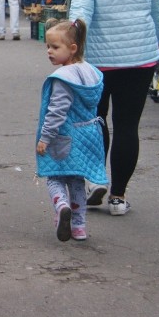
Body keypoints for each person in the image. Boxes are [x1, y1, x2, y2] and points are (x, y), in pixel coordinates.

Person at [68, 0, 159, 216]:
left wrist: (71, 48)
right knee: (128, 126)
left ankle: (96, 180)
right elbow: (157, 10)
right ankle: (118, 197)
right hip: (140, 56)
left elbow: (81, 12)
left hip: (97, 57)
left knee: (96, 120)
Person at [36, 18, 108, 242]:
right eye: (48, 46)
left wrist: (45, 138)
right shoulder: (92, 72)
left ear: (73, 48)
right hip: (89, 134)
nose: (49, 51)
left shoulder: (63, 78)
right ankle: (79, 227)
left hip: (65, 137)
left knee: (55, 178)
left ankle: (62, 206)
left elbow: (57, 111)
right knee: (77, 181)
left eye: (55, 47)